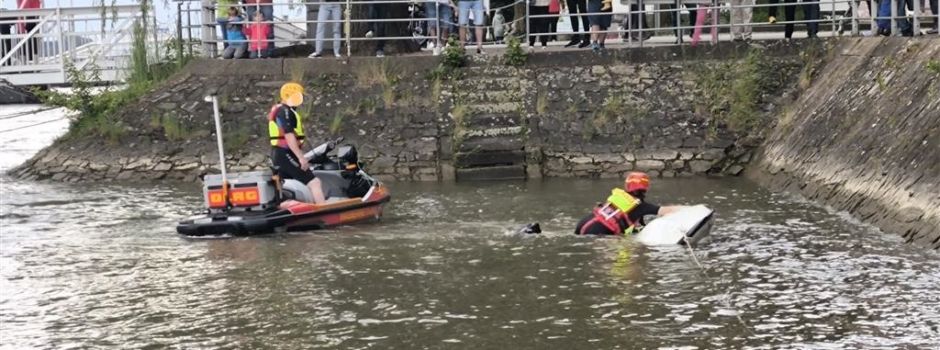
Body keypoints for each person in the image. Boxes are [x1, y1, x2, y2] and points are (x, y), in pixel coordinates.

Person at [268, 83, 327, 204]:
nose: (301, 98)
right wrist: (301, 158)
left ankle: (287, 210)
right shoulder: (284, 111)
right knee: (314, 182)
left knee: (285, 187)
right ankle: (324, 211)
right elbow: (289, 135)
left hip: (279, 153)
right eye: (298, 95)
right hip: (284, 153)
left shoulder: (281, 110)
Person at [574, 172, 685, 235]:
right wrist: (688, 209)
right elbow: (665, 211)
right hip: (597, 232)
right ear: (645, 188)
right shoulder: (640, 206)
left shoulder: (619, 198)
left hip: (582, 224)